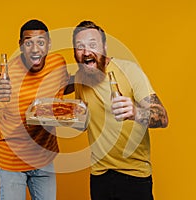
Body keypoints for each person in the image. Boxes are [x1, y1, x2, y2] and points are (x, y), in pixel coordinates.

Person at [72, 20, 168, 200]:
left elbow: (162, 117)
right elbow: (83, 123)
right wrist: (69, 118)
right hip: (99, 175)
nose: (86, 52)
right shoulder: (80, 78)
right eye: (80, 47)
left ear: (105, 47)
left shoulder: (129, 71)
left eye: (93, 45)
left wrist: (136, 112)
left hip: (135, 174)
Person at [0, 19, 70, 200]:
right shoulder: (5, 77)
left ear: (49, 45)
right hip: (11, 161)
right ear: (20, 45)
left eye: (41, 42)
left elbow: (66, 84)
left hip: (44, 158)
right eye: (28, 43)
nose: (35, 49)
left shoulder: (57, 64)